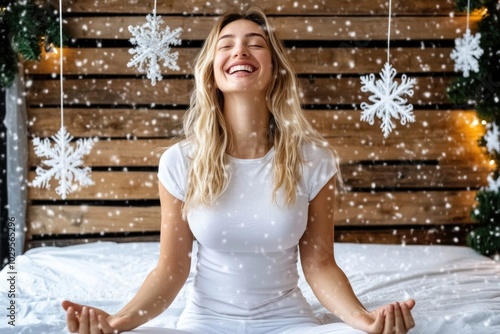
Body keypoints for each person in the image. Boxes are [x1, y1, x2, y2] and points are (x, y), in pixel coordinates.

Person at [62, 7, 416, 334]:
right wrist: (118, 321)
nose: (240, 52)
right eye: (226, 45)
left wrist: (363, 319)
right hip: (205, 321)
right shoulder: (179, 161)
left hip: (289, 321)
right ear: (212, 73)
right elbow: (171, 271)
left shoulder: (314, 160)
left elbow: (320, 265)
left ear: (274, 70)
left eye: (255, 45)